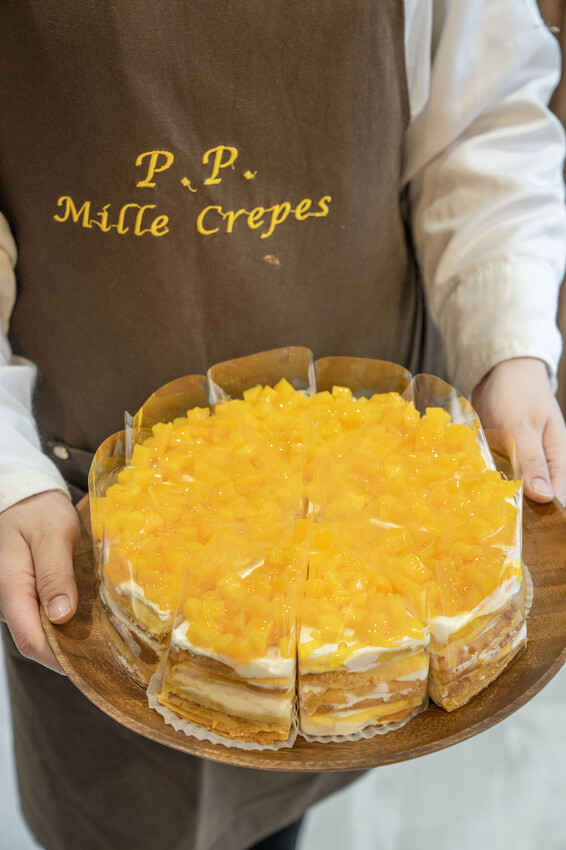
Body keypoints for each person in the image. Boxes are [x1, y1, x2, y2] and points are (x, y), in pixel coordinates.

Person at [0, 2, 565, 849]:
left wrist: (507, 344)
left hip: (379, 485)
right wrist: (8, 469)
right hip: (82, 501)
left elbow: (479, 117)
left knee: (280, 812)